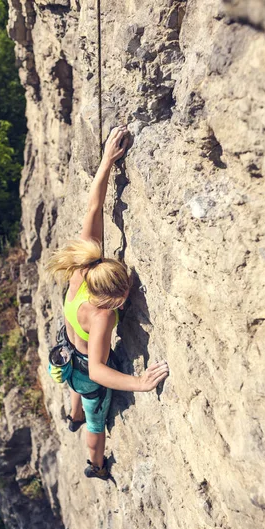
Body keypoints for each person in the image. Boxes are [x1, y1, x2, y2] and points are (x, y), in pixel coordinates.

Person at [46, 125, 169, 480]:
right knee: (94, 417)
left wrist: (107, 162)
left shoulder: (86, 264)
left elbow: (94, 206)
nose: (127, 296)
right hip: (85, 368)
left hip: (64, 349)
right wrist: (141, 383)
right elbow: (99, 371)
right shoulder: (100, 317)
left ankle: (72, 417)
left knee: (75, 387)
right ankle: (95, 465)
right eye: (124, 294)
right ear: (109, 299)